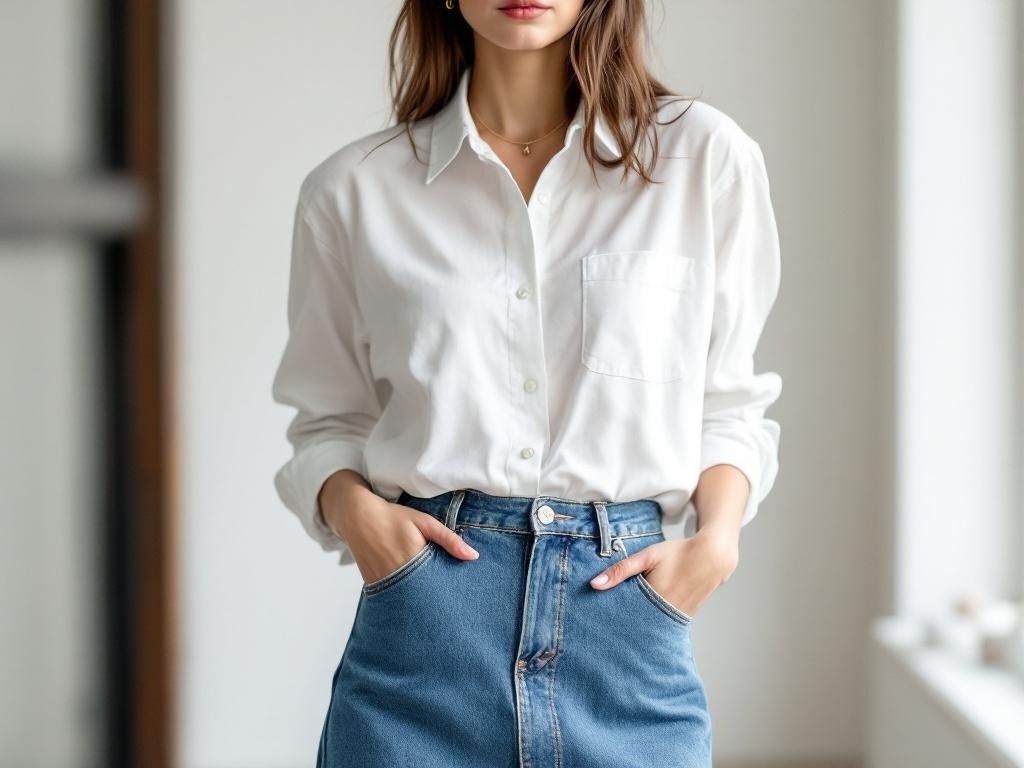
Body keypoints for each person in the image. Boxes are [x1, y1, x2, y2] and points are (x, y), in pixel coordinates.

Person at [271, 1, 783, 766]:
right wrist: (361, 520)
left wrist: (716, 542)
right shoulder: (354, 191)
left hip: (625, 628)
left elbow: (730, 402)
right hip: (427, 630)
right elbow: (326, 420)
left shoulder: (704, 160)